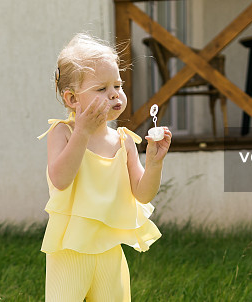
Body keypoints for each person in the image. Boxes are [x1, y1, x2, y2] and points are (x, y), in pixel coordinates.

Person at [37, 33, 171, 301]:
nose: (114, 94)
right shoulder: (63, 133)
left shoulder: (124, 141)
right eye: (101, 89)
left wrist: (155, 163)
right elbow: (61, 179)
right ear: (73, 99)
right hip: (70, 251)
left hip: (109, 249)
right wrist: (82, 133)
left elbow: (142, 194)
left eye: (118, 86)